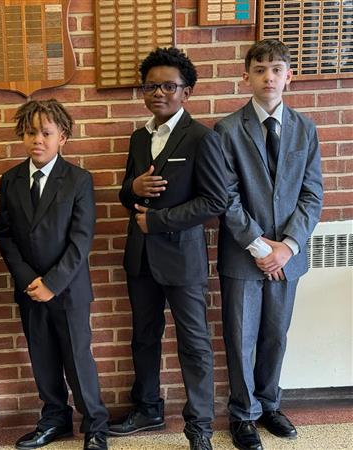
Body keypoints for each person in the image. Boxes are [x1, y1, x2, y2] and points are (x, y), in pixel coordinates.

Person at [110, 47, 227, 450]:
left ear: (186, 91)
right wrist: (133, 189)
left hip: (182, 259)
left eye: (168, 86)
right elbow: (128, 191)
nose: (158, 92)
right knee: (143, 336)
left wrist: (158, 220)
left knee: (193, 343)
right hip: (140, 257)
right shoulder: (139, 137)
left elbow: (215, 201)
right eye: (151, 85)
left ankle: (199, 427)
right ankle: (147, 408)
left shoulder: (201, 138)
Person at [214, 39, 323, 450]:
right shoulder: (227, 130)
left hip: (289, 257)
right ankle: (242, 413)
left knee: (276, 334)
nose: (269, 77)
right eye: (259, 70)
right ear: (246, 77)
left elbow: (312, 195)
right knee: (241, 337)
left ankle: (269, 403)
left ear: (289, 76)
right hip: (244, 258)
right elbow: (227, 197)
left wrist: (288, 246)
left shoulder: (306, 129)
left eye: (277, 69)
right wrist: (262, 249)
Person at [0, 100, 109, 450]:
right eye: (30, 133)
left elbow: (80, 239)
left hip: (69, 289)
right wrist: (30, 280)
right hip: (30, 288)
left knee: (77, 358)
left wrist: (52, 283)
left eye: (46, 133)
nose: (37, 141)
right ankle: (55, 419)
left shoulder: (78, 180)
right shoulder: (11, 179)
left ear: (63, 136)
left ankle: (95, 425)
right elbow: (6, 234)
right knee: (42, 356)